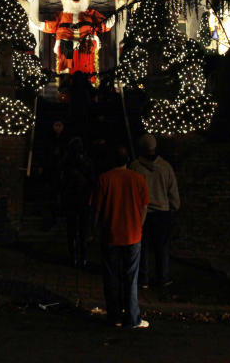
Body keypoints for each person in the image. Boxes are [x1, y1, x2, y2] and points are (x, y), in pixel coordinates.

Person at [92, 144, 150, 329]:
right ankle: (132, 318)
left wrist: (95, 231)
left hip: (111, 235)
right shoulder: (138, 179)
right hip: (132, 235)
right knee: (131, 277)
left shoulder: (104, 179)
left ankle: (114, 316)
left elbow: (97, 209)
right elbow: (144, 207)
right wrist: (138, 226)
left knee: (111, 277)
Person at [130, 133, 180, 288]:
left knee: (143, 247)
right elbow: (173, 191)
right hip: (162, 212)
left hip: (142, 213)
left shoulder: (135, 167)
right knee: (162, 247)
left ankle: (143, 278)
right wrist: (174, 206)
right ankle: (162, 277)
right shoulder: (165, 167)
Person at [59, 137, 95, 268]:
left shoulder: (66, 162)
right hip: (84, 199)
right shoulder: (87, 162)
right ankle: (83, 257)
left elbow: (62, 181)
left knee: (72, 230)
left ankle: (73, 256)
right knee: (83, 229)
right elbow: (92, 180)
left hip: (71, 199)